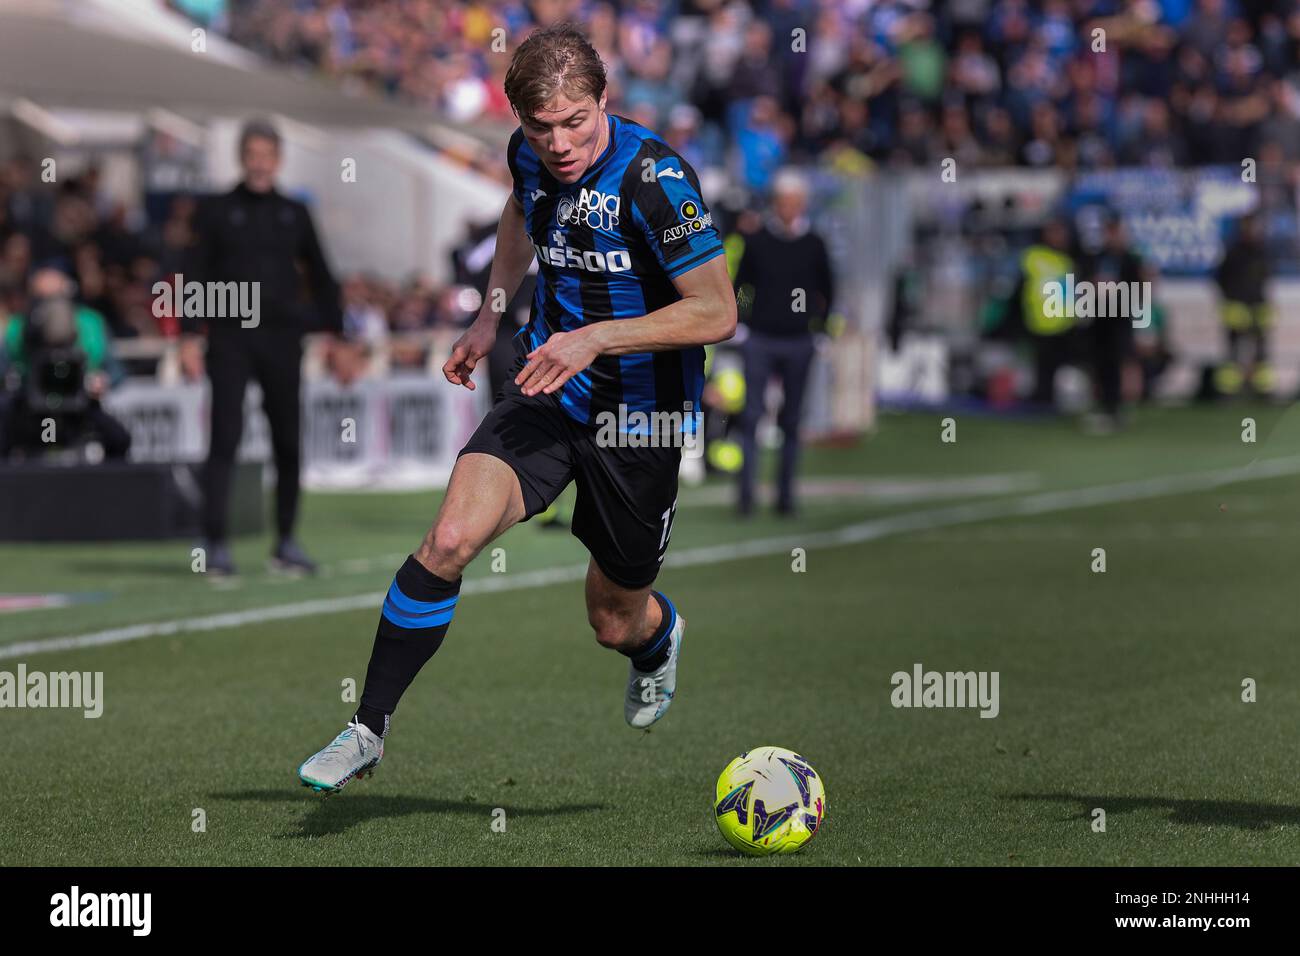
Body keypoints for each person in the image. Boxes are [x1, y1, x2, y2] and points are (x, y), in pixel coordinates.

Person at [297, 23, 737, 793]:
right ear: (519, 122)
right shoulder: (528, 157)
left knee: (611, 621)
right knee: (448, 538)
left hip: (641, 419)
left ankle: (656, 640)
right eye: (542, 127)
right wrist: (492, 314)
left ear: (605, 101)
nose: (559, 143)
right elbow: (518, 216)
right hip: (547, 389)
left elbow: (716, 312)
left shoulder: (657, 180)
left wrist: (595, 338)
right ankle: (368, 728)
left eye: (576, 122)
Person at [188, 119, 342, 576]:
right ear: (242, 157)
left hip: (281, 338)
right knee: (225, 438)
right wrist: (191, 335)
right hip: (230, 337)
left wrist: (337, 333)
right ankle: (215, 542)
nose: (259, 163)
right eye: (252, 154)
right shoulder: (216, 210)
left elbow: (321, 272)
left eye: (266, 155)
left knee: (287, 440)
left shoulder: (294, 213)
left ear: (278, 159)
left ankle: (287, 541)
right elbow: (194, 270)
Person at [732, 168, 833, 516]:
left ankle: (785, 498)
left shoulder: (814, 243)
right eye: (783, 201)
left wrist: (820, 330)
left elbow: (827, 288)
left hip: (799, 340)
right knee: (752, 417)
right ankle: (746, 497)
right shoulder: (758, 240)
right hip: (760, 337)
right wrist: (742, 324)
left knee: (791, 421)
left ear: (802, 204)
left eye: (794, 202)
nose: (788, 208)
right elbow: (742, 286)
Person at [0, 267, 131, 460]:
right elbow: (3, 373)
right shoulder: (15, 330)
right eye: (43, 299)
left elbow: (116, 372)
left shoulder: (92, 324)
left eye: (58, 298)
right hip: (28, 406)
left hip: (79, 403)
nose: (52, 308)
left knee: (119, 439)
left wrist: (102, 381)